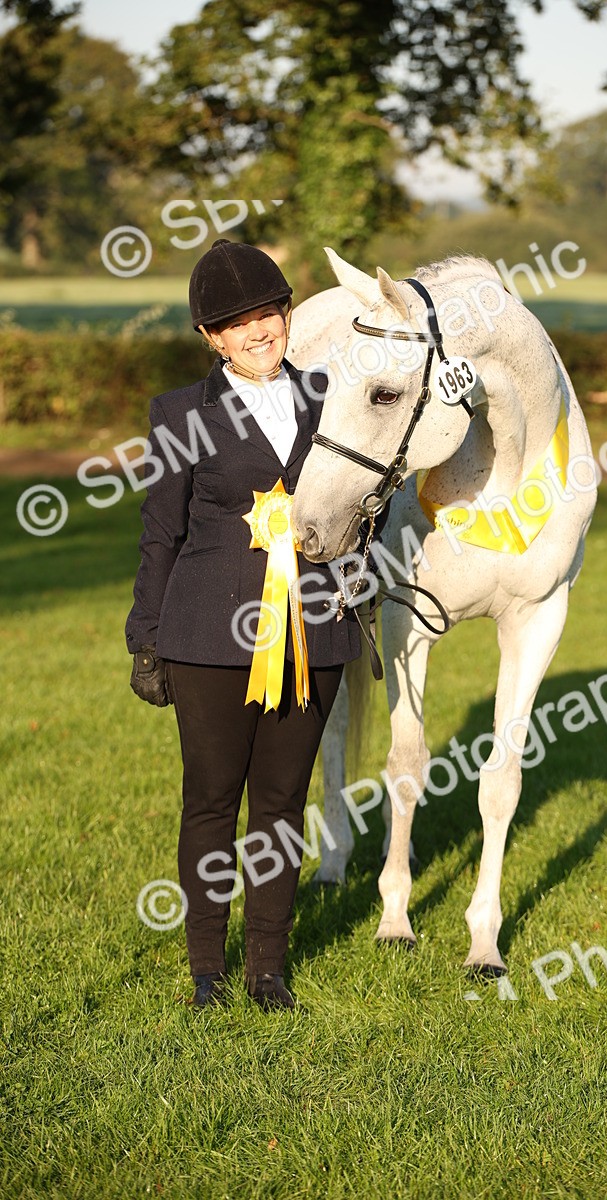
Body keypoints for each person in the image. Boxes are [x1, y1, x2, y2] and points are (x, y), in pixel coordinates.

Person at [125, 238, 362, 1012]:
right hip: (206, 638)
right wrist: (146, 637)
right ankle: (206, 969)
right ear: (212, 338)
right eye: (238, 322)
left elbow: (369, 502)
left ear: (287, 315)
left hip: (315, 627)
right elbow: (160, 533)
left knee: (283, 804)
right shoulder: (179, 415)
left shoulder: (335, 399)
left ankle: (268, 967)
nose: (260, 331)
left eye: (269, 312)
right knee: (211, 800)